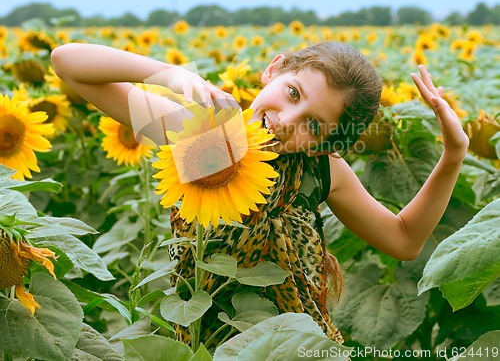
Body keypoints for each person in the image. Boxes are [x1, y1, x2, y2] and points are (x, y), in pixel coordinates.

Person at [50, 41, 469, 347]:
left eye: (313, 125)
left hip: (289, 345)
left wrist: (453, 154)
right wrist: (170, 74)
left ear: (324, 144)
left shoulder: (319, 170)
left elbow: (403, 239)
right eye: (293, 93)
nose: (288, 121)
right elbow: (66, 63)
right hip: (197, 333)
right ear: (274, 69)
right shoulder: (202, 133)